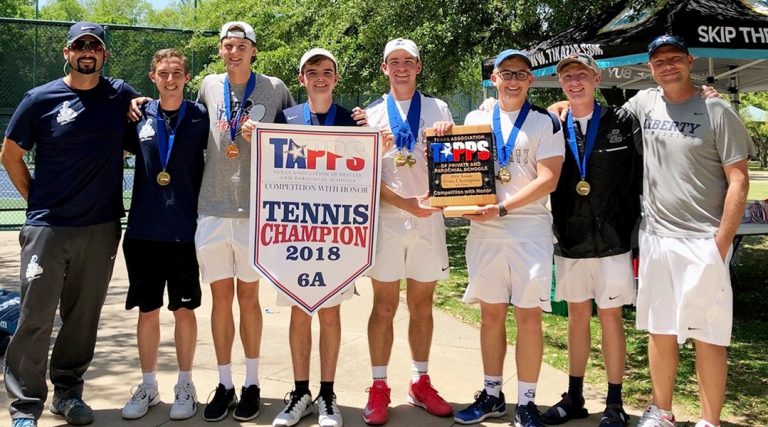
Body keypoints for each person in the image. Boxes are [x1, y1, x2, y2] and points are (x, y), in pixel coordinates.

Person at [1, 22, 140, 427]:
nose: (87, 51)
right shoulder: (39, 99)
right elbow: (10, 154)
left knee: (82, 318)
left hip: (100, 228)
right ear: (67, 52)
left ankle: (68, 394)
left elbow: (146, 115)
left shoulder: (119, 95)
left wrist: (144, 101)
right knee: (35, 316)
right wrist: (36, 201)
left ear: (104, 54)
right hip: (48, 227)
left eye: (94, 46)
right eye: (79, 45)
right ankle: (25, 405)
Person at [625, 35, 753, 427]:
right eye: (659, 61)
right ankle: (662, 412)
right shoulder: (644, 102)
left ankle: (709, 421)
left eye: (675, 58)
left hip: (703, 242)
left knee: (708, 335)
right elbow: (599, 116)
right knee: (660, 329)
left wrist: (721, 244)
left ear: (690, 61)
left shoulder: (717, 110)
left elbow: (739, 180)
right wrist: (560, 105)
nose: (668, 66)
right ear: (650, 68)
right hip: (657, 238)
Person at [244, 47, 363, 427]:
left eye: (327, 71)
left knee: (330, 312)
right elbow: (271, 164)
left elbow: (365, 169)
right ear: (302, 79)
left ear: (336, 77)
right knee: (299, 310)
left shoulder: (351, 120)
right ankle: (300, 394)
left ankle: (327, 395)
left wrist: (378, 141)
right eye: (312, 72)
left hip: (335, 232)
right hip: (297, 231)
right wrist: (255, 137)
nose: (320, 78)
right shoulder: (287, 118)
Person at [453, 49, 564, 427]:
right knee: (490, 316)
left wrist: (501, 208)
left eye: (520, 73)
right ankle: (492, 395)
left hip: (529, 231)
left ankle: (527, 402)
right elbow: (459, 169)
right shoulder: (475, 119)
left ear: (530, 80)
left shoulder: (545, 121)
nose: (513, 80)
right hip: (484, 232)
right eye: (506, 73)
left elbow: (548, 179)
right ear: (494, 79)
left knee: (529, 318)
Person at [195, 21, 294, 422]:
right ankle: (225, 384)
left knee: (249, 299)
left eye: (241, 46)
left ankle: (252, 383)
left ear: (254, 50)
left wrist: (266, 133)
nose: (234, 52)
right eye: (228, 45)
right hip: (213, 208)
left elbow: (297, 135)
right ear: (221, 50)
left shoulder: (274, 88)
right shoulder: (208, 85)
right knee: (220, 301)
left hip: (256, 210)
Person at [541, 53, 640, 427]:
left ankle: (614, 402)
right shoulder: (553, 123)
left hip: (613, 238)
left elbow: (639, 173)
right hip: (571, 237)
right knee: (577, 316)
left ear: (596, 79)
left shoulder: (622, 120)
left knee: (611, 317)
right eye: (568, 76)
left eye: (582, 74)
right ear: (561, 83)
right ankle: (575, 396)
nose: (575, 81)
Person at [361, 38, 455, 426]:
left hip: (428, 218)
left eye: (408, 61)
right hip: (387, 219)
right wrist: (404, 203)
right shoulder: (369, 114)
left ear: (419, 66)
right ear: (384, 68)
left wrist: (448, 138)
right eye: (394, 61)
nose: (401, 67)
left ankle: (420, 381)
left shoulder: (439, 108)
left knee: (422, 305)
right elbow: (364, 176)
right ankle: (378, 385)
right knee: (384, 306)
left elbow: (455, 163)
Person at [119, 48, 208, 421]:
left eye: (176, 73)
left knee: (184, 310)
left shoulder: (201, 116)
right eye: (163, 73)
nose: (170, 79)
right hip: (143, 230)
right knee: (148, 310)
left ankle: (185, 385)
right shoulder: (137, 115)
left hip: (185, 231)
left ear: (187, 77)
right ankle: (149, 385)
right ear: (152, 77)